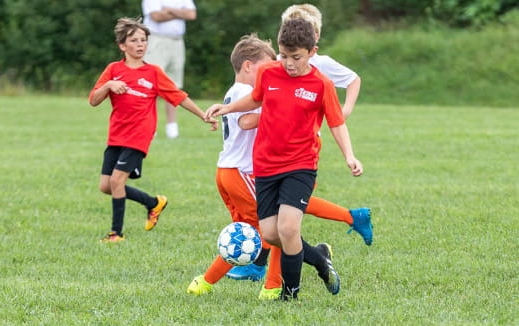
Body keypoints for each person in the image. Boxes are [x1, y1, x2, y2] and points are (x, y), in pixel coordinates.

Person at [204, 19, 364, 300]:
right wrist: (227, 107)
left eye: (296, 57)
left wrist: (349, 156)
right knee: (271, 233)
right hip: (265, 165)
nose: (288, 63)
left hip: (300, 164)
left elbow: (336, 123)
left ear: (312, 52)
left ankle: (289, 294)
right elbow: (255, 99)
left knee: (288, 227)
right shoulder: (269, 72)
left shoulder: (321, 84)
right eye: (283, 55)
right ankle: (319, 260)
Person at [89, 17, 217, 242]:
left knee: (117, 182)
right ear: (122, 45)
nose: (140, 44)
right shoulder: (113, 70)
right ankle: (153, 203)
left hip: (139, 135)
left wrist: (202, 115)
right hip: (116, 134)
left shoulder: (154, 73)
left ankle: (116, 234)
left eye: (143, 40)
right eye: (134, 40)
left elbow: (179, 97)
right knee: (106, 186)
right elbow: (93, 100)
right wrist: (109, 85)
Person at [142, 0, 197, 138]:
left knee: (173, 86)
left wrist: (169, 10)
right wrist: (180, 13)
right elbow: (156, 17)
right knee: (150, 84)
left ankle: (172, 127)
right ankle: (149, 125)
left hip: (177, 41)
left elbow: (191, 14)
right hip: (156, 40)